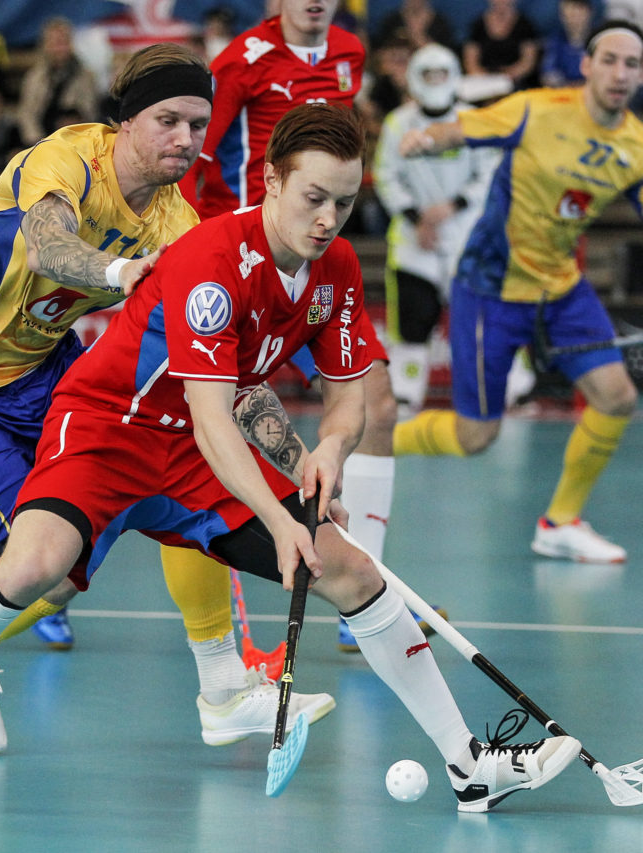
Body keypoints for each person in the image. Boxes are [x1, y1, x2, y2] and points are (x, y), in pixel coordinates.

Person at [0, 104, 583, 814]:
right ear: (273, 180)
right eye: (313, 196)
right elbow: (218, 417)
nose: (327, 218)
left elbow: (352, 391)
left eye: (343, 203)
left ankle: (468, 761)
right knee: (32, 566)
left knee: (350, 570)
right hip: (110, 429)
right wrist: (279, 516)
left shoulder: (337, 268)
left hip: (186, 452)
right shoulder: (211, 257)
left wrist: (326, 454)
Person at [0, 45, 334, 757]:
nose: (185, 139)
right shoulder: (65, 161)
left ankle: (225, 683)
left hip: (43, 372)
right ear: (124, 121)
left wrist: (300, 459)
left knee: (179, 452)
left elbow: (230, 372)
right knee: (42, 572)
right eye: (167, 120)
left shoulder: (181, 226)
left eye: (197, 124)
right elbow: (47, 243)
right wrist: (122, 271)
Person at [395, 19, 643, 564]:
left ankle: (560, 521)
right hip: (490, 285)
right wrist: (425, 139)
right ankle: (375, 445)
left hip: (560, 287)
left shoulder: (642, 151)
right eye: (609, 59)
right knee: (474, 437)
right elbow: (462, 128)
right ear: (587, 64)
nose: (619, 73)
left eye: (632, 64)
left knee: (617, 396)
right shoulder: (537, 108)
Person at [182, 0, 425, 655]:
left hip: (311, 254)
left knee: (377, 402)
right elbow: (196, 156)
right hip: (242, 254)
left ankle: (365, 586)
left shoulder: (349, 50)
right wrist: (195, 246)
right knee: (192, 433)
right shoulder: (241, 62)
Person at [373, 43, 497, 416]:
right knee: (413, 319)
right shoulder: (398, 123)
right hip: (415, 242)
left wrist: (453, 206)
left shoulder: (473, 120)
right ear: (414, 78)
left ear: (455, 76)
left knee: (479, 320)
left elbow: (489, 173)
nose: (435, 82)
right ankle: (407, 393)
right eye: (428, 75)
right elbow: (385, 177)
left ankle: (501, 390)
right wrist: (416, 218)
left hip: (466, 236)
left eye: (442, 74)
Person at [16, 16, 99, 147]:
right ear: (45, 45)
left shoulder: (85, 77)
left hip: (73, 142)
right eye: (54, 43)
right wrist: (38, 143)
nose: (59, 48)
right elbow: (27, 115)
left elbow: (90, 115)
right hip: (39, 143)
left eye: (63, 42)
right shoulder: (35, 77)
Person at [462, 0, 542, 91]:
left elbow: (528, 62)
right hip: (483, 81)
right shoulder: (477, 25)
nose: (501, 1)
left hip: (515, 82)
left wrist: (509, 75)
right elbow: (470, 62)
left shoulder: (526, 25)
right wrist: (484, 78)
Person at [541, 0, 595, 88]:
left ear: (589, 12)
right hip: (563, 94)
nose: (572, 19)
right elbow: (547, 74)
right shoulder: (555, 40)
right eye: (567, 14)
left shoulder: (599, 41)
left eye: (576, 14)